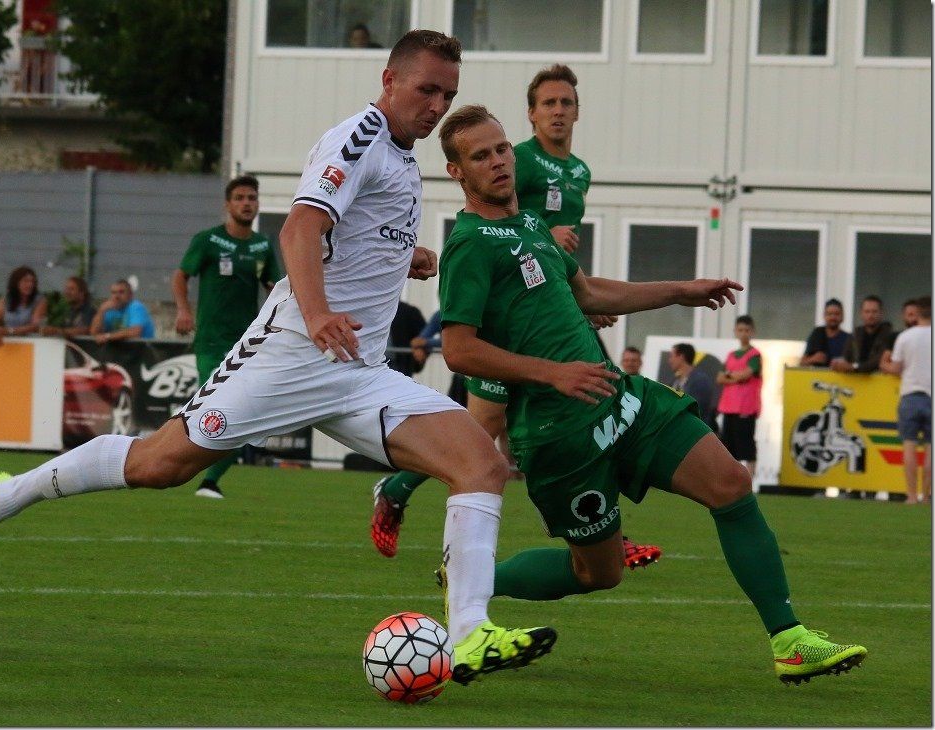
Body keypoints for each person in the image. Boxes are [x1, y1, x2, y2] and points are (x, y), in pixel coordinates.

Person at [0, 30, 555, 688]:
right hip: (291, 353)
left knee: (480, 463)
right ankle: (0, 497)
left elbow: (351, 238)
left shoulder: (402, 157)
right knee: (159, 465)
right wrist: (317, 313)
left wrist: (405, 257)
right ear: (389, 80)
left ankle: (469, 633)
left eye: (447, 95)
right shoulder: (361, 136)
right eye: (426, 89)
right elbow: (300, 227)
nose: (436, 106)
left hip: (359, 373)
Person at [432, 103, 865, 684]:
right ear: (457, 171)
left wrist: (680, 291)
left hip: (619, 400)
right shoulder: (469, 245)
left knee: (731, 485)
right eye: (481, 156)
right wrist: (552, 373)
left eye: (502, 148)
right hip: (559, 437)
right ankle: (473, 579)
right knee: (599, 573)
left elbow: (589, 293)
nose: (498, 162)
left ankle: (790, 640)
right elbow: (458, 349)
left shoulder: (531, 224)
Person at [370, 63, 661, 569]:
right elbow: (504, 222)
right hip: (509, 327)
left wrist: (572, 302)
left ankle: (596, 529)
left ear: (578, 111)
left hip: (544, 314)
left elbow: (544, 254)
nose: (557, 111)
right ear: (530, 114)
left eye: (565, 103)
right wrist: (548, 240)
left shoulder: (579, 171)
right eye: (548, 103)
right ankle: (416, 505)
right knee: (483, 435)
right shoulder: (520, 160)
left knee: (571, 413)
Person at [172, 174, 281, 499]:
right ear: (227, 205)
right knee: (214, 405)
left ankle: (210, 480)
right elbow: (180, 276)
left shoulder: (262, 246)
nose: (247, 203)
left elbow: (274, 288)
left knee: (242, 413)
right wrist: (183, 310)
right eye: (240, 198)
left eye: (252, 198)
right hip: (210, 340)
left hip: (247, 344)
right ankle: (176, 456)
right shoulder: (208, 240)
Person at [880, 296, 931, 505]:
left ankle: (911, 495)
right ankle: (926, 496)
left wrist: (884, 363)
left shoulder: (905, 337)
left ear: (917, 313)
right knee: (930, 449)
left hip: (910, 395)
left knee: (909, 446)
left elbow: (895, 368)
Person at [716, 316, 762, 479]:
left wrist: (730, 375)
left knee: (746, 445)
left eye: (747, 330)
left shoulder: (754, 355)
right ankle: (730, 480)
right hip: (729, 407)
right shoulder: (731, 355)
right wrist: (736, 377)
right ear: (735, 331)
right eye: (740, 330)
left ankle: (749, 480)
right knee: (728, 445)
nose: (743, 333)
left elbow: (746, 374)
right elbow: (719, 378)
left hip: (746, 407)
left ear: (752, 332)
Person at [0, 265, 48, 348]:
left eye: (32, 282)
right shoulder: (6, 299)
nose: (30, 285)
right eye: (25, 281)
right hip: (9, 344)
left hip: (31, 344)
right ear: (16, 282)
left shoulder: (39, 300)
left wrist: (9, 331)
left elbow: (34, 326)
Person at [830, 295, 894, 374]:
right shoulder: (855, 335)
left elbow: (878, 361)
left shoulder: (890, 336)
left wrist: (854, 367)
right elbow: (846, 356)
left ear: (881, 313)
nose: (870, 315)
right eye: (867, 311)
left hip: (880, 380)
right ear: (861, 313)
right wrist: (839, 364)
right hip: (853, 380)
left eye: (874, 312)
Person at [91, 279, 155, 344]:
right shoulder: (108, 309)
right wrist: (101, 311)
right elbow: (94, 334)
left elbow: (134, 333)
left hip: (142, 349)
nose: (116, 296)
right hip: (121, 349)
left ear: (130, 295)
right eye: (113, 293)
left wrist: (107, 336)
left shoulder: (136, 307)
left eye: (121, 292)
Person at [669, 342, 716, 430]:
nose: (670, 360)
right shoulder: (675, 381)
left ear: (681, 357)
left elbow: (696, 409)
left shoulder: (700, 380)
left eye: (672, 356)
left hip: (694, 431)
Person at [800, 298, 850, 367]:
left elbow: (854, 364)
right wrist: (813, 359)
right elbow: (802, 363)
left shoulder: (848, 339)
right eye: (829, 314)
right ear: (824, 316)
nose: (833, 317)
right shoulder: (817, 334)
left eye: (836, 314)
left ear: (842, 316)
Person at [388, 299, 427, 377]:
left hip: (399, 364)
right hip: (374, 362)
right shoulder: (370, 311)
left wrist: (420, 347)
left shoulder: (409, 311)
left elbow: (423, 337)